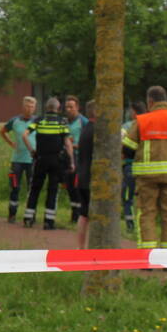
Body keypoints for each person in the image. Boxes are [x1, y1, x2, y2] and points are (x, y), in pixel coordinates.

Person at [122, 86, 167, 249]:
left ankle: (147, 257)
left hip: (147, 177)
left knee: (147, 213)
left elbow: (127, 149)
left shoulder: (142, 121)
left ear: (150, 101)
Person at [21, 97, 74, 230]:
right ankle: (48, 222)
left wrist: (32, 150)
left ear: (46, 108)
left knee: (34, 188)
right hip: (56, 161)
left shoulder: (39, 120)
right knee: (53, 190)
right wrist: (71, 161)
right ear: (58, 108)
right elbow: (67, 143)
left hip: (40, 159)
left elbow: (24, 135)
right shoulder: (62, 122)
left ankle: (28, 218)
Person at [0, 95, 38, 223]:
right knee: (15, 188)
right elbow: (2, 131)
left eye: (32, 106)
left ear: (35, 108)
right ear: (23, 106)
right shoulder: (14, 121)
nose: (29, 109)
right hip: (17, 161)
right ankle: (12, 214)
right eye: (27, 106)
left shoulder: (38, 121)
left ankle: (30, 216)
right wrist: (11, 143)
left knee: (32, 189)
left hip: (32, 161)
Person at [63, 95, 90, 224]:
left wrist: (72, 145)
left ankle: (79, 214)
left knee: (77, 186)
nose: (68, 109)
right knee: (68, 186)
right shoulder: (64, 121)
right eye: (67, 107)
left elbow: (88, 141)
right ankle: (74, 211)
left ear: (77, 107)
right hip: (67, 158)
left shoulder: (83, 121)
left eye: (71, 107)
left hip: (79, 158)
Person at [121, 101, 146, 233]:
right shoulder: (149, 124)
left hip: (130, 165)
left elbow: (122, 142)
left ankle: (130, 225)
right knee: (144, 198)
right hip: (146, 167)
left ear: (134, 112)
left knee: (127, 197)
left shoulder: (128, 126)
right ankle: (143, 225)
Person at [75, 100, 96, 248]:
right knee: (94, 215)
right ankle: (93, 248)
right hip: (92, 179)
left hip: (82, 176)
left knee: (84, 214)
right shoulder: (97, 131)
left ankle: (80, 248)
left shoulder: (86, 128)